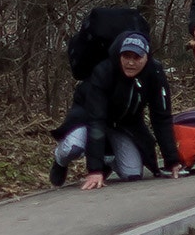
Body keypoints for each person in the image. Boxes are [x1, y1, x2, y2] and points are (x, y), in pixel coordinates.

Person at [50, 31, 184, 190]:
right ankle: (60, 159)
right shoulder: (104, 71)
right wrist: (95, 170)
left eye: (137, 57)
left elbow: (161, 117)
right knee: (73, 148)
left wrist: (172, 160)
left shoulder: (154, 73)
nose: (131, 63)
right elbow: (97, 120)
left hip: (123, 125)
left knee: (132, 173)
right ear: (119, 55)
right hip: (89, 119)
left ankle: (107, 159)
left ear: (146, 57)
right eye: (126, 56)